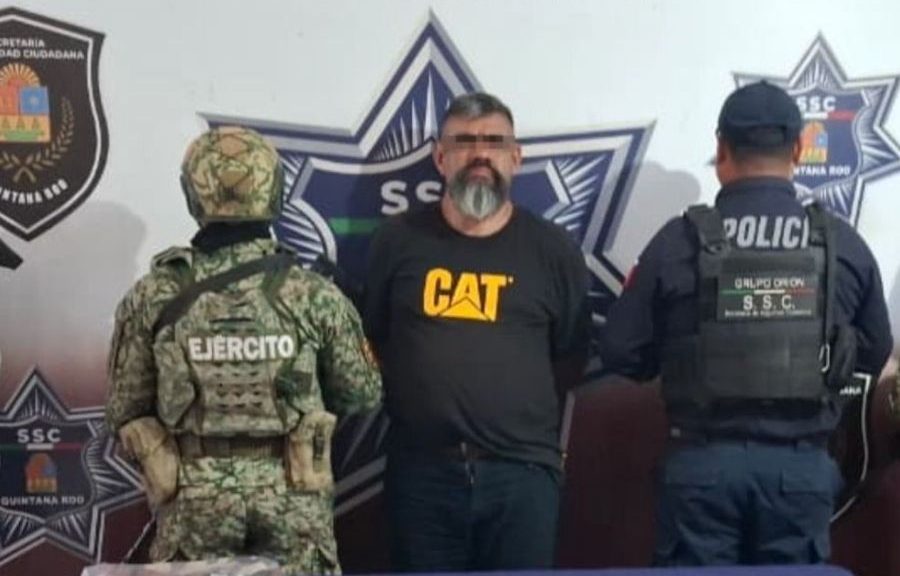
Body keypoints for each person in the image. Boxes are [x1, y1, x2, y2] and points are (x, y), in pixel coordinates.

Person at [601, 81, 892, 566]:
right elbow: (874, 350)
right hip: (799, 471)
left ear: (721, 150)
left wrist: (677, 359)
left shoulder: (678, 240)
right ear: (798, 150)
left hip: (702, 470)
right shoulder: (841, 243)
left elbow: (619, 350)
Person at [106, 126, 382, 574]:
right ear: (274, 191)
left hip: (194, 497)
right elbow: (361, 394)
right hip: (294, 494)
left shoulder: (154, 295)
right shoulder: (312, 294)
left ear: (192, 193)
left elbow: (124, 408)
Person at [362, 91, 590, 572]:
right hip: (422, 473)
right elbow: (373, 340)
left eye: (494, 141)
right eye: (464, 141)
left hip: (523, 475)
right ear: (440, 158)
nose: (480, 154)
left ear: (516, 157)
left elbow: (569, 356)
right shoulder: (397, 241)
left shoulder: (554, 251)